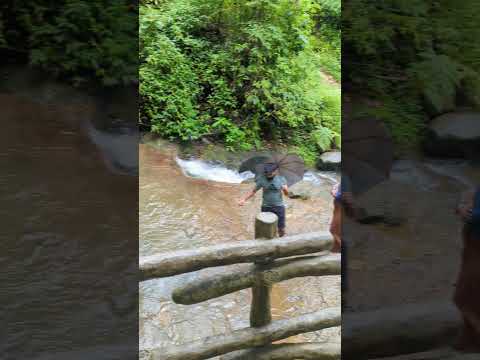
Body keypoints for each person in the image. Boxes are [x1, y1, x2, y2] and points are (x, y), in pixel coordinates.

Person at [454, 187, 480, 352]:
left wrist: (467, 215)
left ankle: (473, 341)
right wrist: (463, 206)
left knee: (466, 294)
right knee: (467, 294)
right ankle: (468, 340)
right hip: (473, 242)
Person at [238, 163, 289, 237]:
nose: (267, 175)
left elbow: (286, 194)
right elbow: (253, 191)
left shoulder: (281, 179)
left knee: (281, 228)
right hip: (266, 206)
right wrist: (244, 199)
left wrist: (285, 190)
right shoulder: (262, 179)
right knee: (265, 227)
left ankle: (282, 241)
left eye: (269, 173)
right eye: (266, 173)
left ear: (275, 171)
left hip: (279, 207)